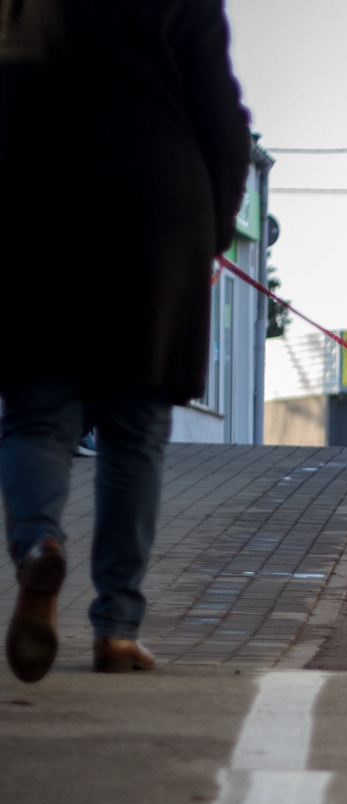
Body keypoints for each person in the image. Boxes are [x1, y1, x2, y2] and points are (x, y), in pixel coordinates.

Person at [0, 0, 251, 680]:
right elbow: (225, 124)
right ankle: (116, 630)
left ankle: (36, 545)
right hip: (156, 213)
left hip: (36, 204)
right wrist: (212, 229)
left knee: (36, 416)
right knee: (134, 432)